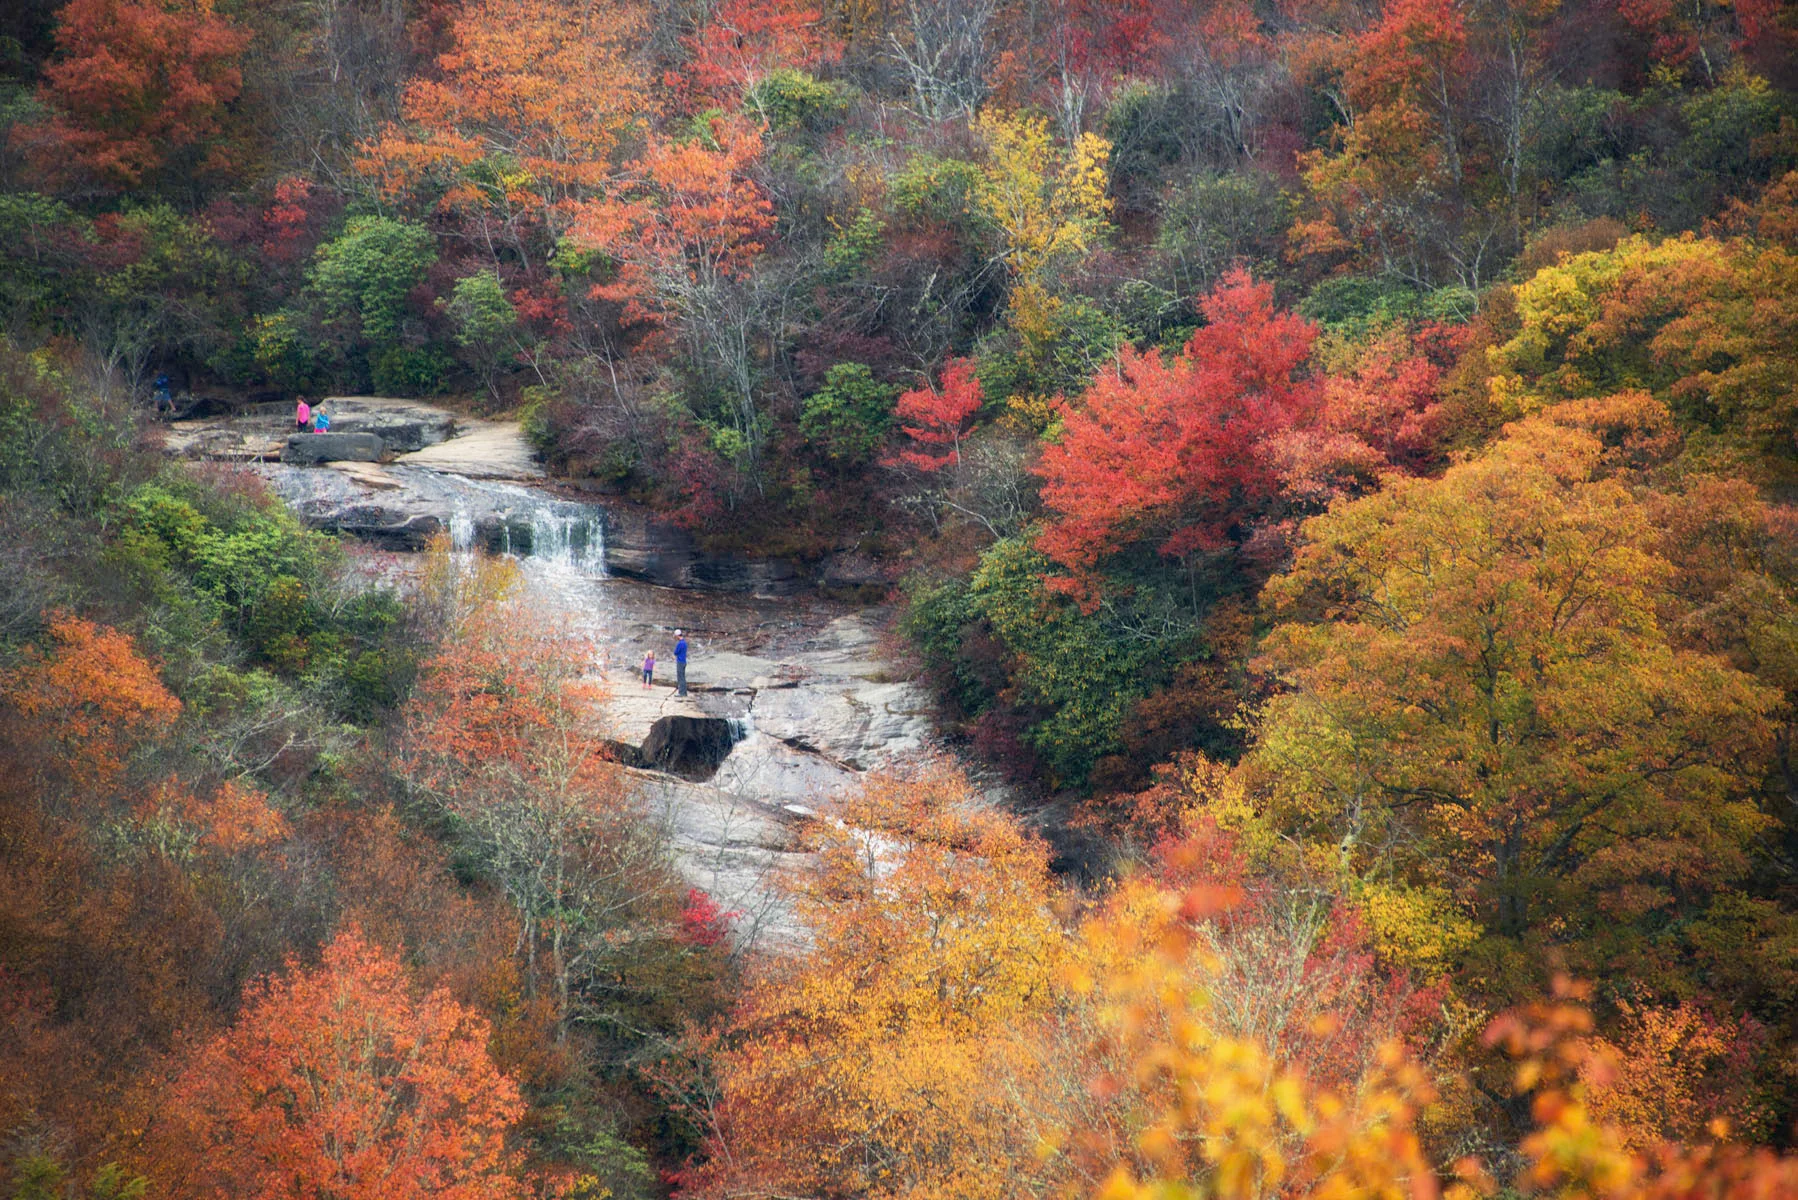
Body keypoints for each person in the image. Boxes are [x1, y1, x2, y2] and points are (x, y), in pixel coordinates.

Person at [674, 630, 688, 696]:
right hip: (684, 661)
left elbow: (676, 652)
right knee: (683, 677)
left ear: (677, 636)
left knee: (680, 678)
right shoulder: (684, 643)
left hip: (680, 662)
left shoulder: (680, 643)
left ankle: (681, 693)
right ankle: (684, 692)